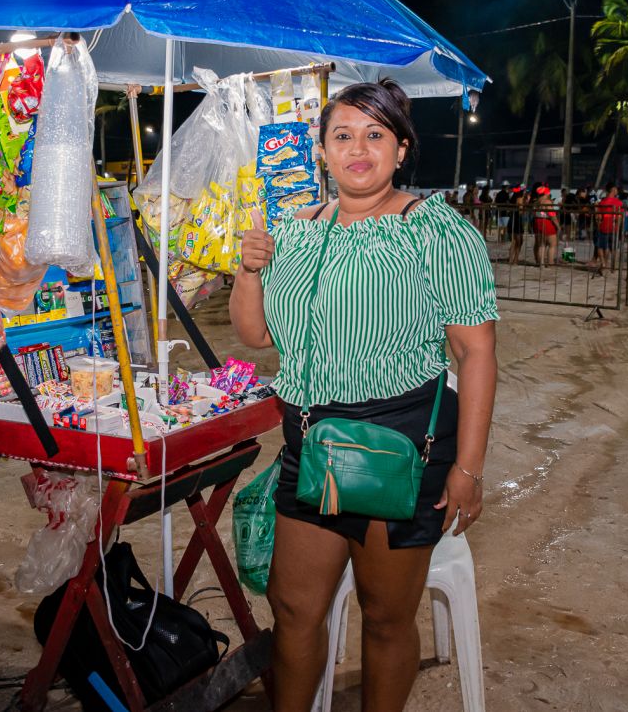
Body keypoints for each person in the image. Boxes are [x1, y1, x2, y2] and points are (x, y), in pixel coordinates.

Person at [231, 79, 499, 712]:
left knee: (384, 617)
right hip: (309, 447)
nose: (358, 149)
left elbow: (476, 354)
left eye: (375, 135)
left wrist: (468, 469)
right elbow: (257, 334)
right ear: (322, 150)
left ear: (401, 149)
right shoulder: (295, 229)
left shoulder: (434, 231)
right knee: (294, 610)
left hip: (397, 447)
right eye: (343, 135)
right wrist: (249, 268)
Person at [589, 184, 622, 275]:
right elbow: (619, 217)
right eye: (616, 189)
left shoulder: (602, 202)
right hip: (614, 227)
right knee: (613, 248)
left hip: (603, 226)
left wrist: (598, 225)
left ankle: (603, 263)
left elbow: (598, 217)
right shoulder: (618, 202)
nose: (617, 191)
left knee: (601, 246)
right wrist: (618, 228)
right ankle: (613, 266)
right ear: (613, 190)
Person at [532, 185, 559, 266]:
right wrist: (558, 226)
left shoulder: (536, 202)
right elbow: (552, 215)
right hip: (547, 222)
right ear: (546, 193)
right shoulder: (547, 202)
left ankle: (541, 263)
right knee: (552, 245)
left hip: (538, 222)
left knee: (541, 245)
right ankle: (550, 262)